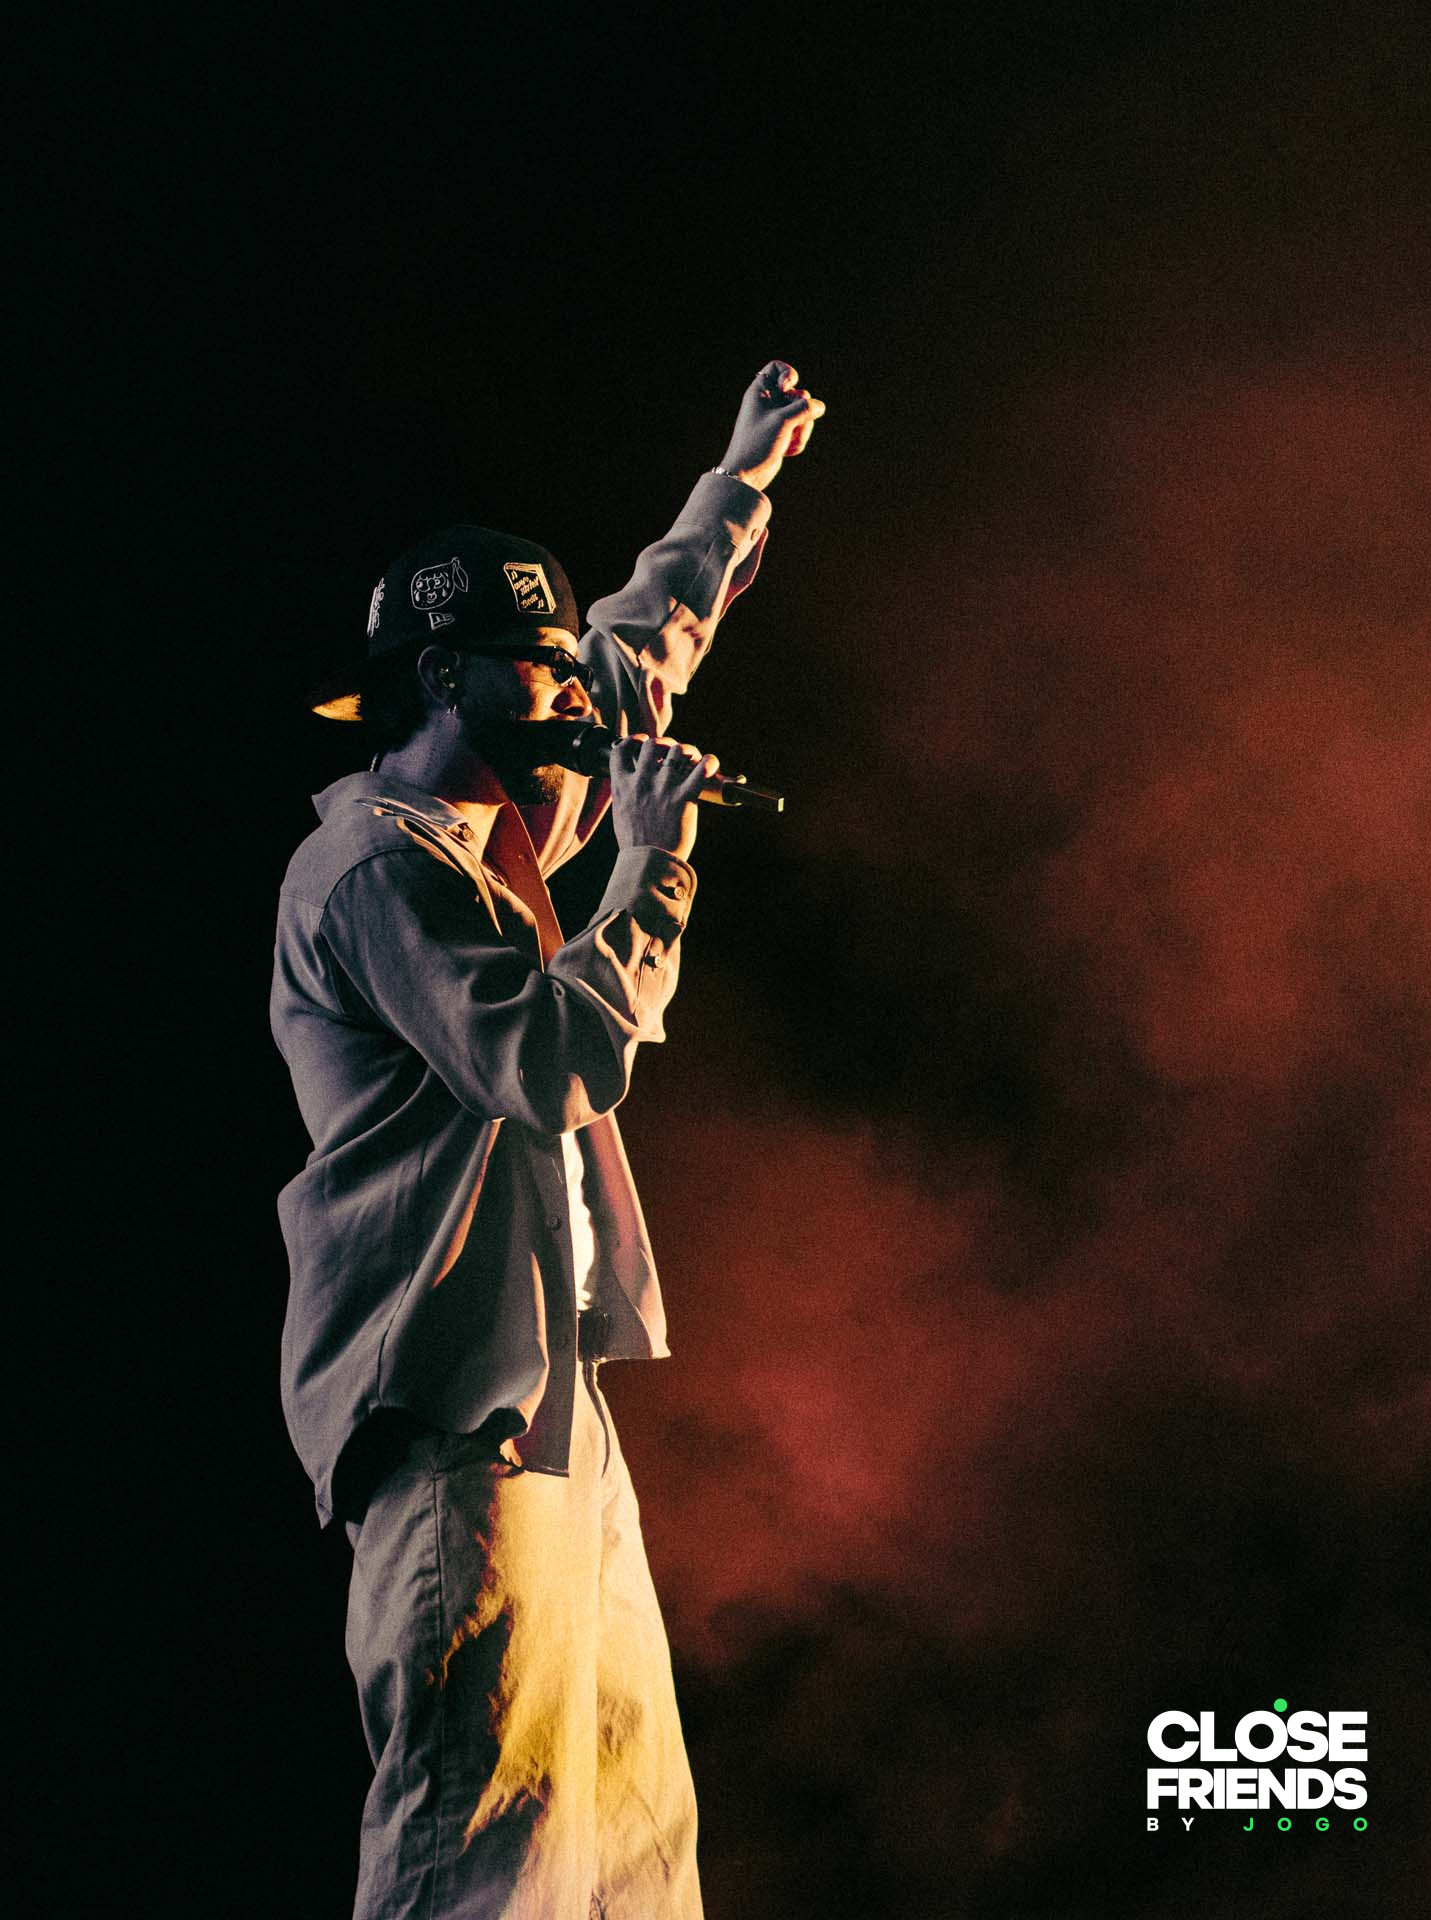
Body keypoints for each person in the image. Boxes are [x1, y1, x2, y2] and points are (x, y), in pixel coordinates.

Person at [271, 362, 825, 1919]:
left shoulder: (508, 822)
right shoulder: (376, 870)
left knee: (633, 1849)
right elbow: (556, 1064)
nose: (577, 696)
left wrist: (746, 475)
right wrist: (655, 868)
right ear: (446, 678)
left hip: (552, 1420)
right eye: (539, 668)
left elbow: (642, 646)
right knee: (483, 1856)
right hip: (456, 1437)